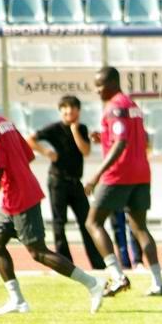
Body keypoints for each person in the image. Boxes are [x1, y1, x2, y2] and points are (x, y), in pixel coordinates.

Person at [0, 83, 105, 315]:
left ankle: (93, 284)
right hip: (14, 194)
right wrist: (6, 181)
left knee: (38, 252)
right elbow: (27, 155)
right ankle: (17, 300)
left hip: (20, 197)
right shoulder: (3, 122)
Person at [84, 66, 162, 297]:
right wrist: (103, 137)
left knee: (93, 222)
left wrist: (96, 175)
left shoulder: (114, 107)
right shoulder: (133, 106)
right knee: (140, 227)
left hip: (119, 174)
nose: (97, 90)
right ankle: (158, 283)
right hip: (141, 173)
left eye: (100, 85)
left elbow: (121, 143)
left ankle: (118, 276)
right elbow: (136, 137)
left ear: (112, 83)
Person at [26, 95, 105, 271]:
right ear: (61, 110)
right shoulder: (53, 128)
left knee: (87, 222)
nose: (69, 111)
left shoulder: (82, 128)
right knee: (59, 223)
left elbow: (85, 151)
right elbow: (30, 140)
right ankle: (65, 264)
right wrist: (46, 151)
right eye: (65, 108)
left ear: (78, 111)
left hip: (76, 182)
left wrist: (75, 131)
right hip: (57, 181)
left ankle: (98, 264)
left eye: (72, 108)